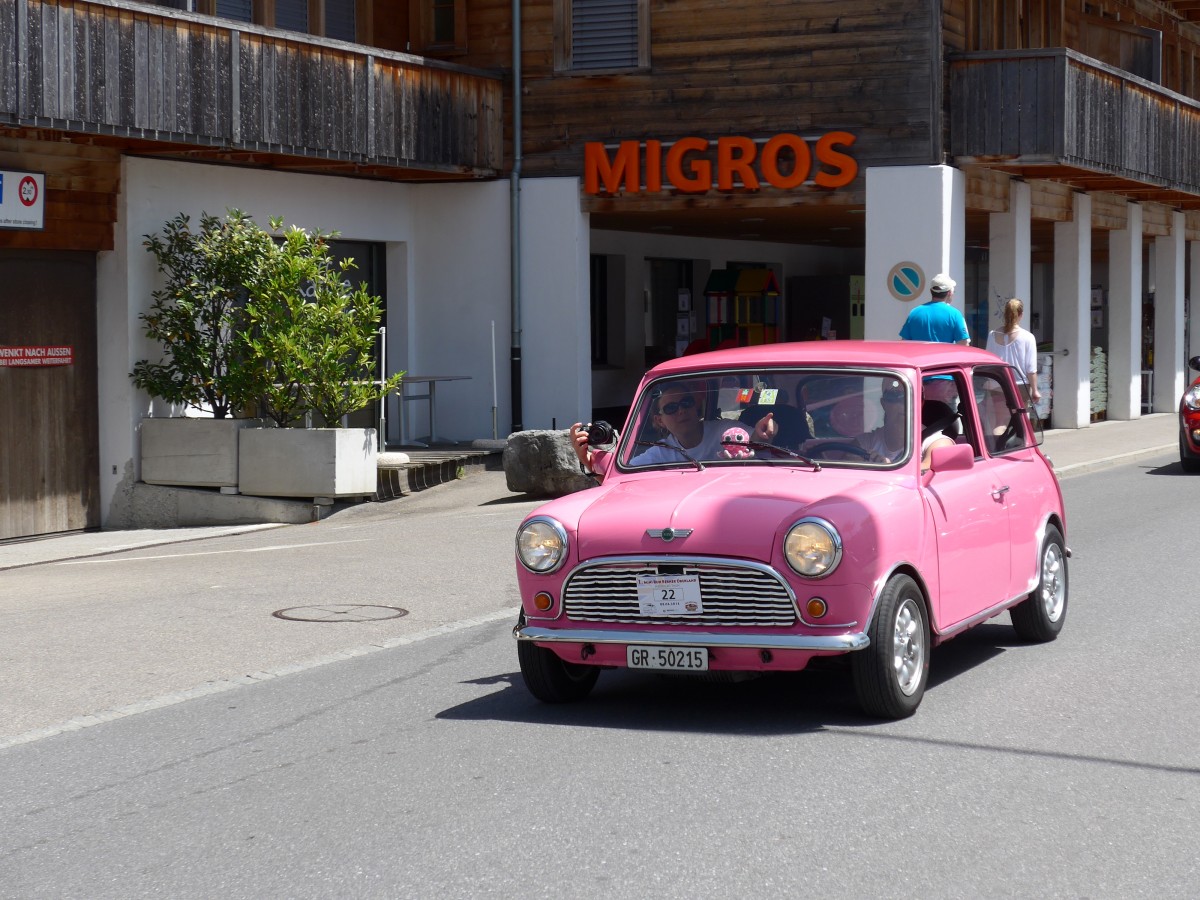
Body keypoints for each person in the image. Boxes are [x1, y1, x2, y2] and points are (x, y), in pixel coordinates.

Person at [570, 382, 778, 478]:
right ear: (659, 421)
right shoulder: (659, 452)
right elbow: (620, 479)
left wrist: (764, 432)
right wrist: (588, 461)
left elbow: (754, 437)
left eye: (686, 402)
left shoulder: (724, 429)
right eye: (671, 408)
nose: (681, 411)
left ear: (696, 406)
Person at [985, 297, 1041, 403]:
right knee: (1019, 418)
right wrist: (1035, 390)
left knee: (1000, 419)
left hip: (996, 384)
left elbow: (988, 362)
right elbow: (1031, 369)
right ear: (1021, 314)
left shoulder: (992, 335)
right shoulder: (1028, 337)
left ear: (1005, 314)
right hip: (1019, 385)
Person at [899, 273, 971, 345]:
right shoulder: (955, 314)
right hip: (943, 356)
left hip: (919, 356)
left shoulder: (914, 313)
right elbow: (963, 343)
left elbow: (904, 342)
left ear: (931, 291)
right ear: (949, 293)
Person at [856, 378, 908, 462]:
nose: (904, 404)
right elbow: (845, 468)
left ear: (920, 403)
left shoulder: (928, 438)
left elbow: (929, 467)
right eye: (894, 397)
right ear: (883, 404)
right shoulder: (866, 441)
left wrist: (890, 466)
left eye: (910, 397)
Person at [920, 398, 960, 470]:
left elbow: (928, 469)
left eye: (902, 396)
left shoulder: (938, 442)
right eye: (893, 397)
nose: (902, 402)